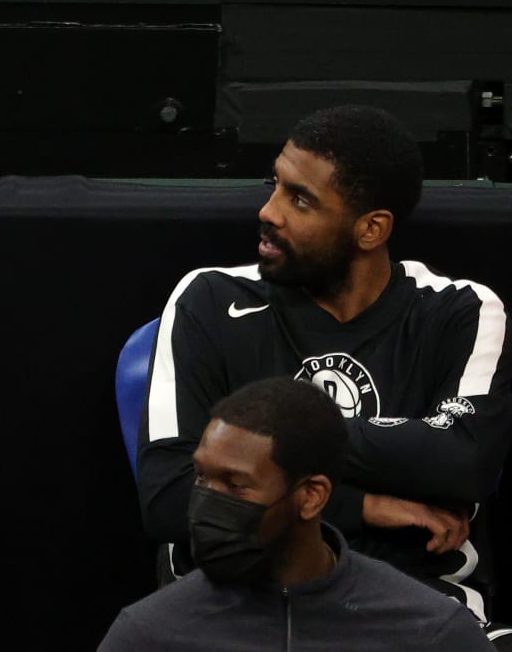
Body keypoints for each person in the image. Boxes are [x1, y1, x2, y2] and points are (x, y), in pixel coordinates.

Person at [136, 104, 512, 639]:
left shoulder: (460, 312)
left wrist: (258, 459)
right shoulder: (210, 299)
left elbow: (462, 459)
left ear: (370, 229)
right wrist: (365, 504)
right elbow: (167, 496)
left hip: (413, 610)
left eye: (301, 200)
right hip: (238, 606)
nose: (269, 212)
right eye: (275, 186)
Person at [101, 377, 496, 651]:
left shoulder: (428, 631)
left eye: (236, 485)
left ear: (311, 497)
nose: (206, 502)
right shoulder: (150, 634)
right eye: (202, 478)